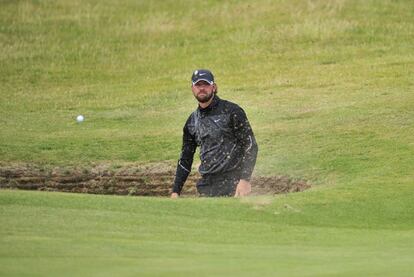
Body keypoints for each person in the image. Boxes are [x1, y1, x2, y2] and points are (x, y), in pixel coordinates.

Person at [171, 69, 258, 198]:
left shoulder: (232, 111)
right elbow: (185, 159)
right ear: (192, 89)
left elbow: (250, 145)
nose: (202, 88)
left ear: (214, 87)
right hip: (207, 186)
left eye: (205, 84)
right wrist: (175, 191)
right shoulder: (191, 122)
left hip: (233, 183)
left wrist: (245, 179)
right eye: (198, 85)